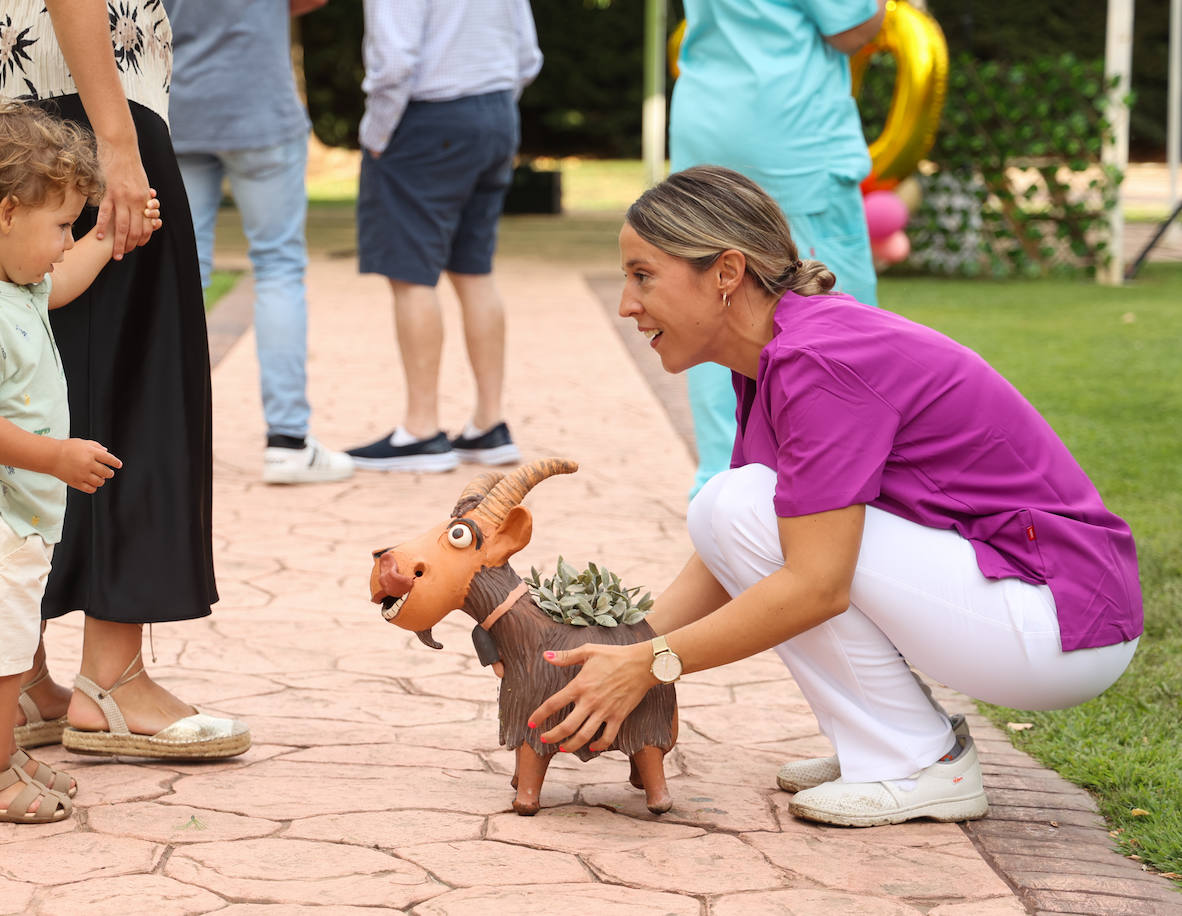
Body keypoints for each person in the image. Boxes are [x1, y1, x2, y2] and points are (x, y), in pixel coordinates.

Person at [528, 166, 1143, 828]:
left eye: (642, 275)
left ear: (726, 273)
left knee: (745, 514)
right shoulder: (774, 357)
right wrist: (623, 651)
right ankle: (884, 745)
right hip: (1032, 605)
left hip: (1060, 621)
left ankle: (915, 761)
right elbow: (735, 550)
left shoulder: (816, 360)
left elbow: (815, 585)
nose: (627, 303)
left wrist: (651, 664)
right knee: (733, 510)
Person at [0, 0, 250, 759]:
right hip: (88, 113)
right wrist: (118, 143)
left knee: (31, 401)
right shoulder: (103, 141)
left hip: (2, 112)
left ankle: (21, 680)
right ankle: (113, 681)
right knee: (132, 395)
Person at [0, 104, 158, 821]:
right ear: (9, 212)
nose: (64, 244)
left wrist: (109, 234)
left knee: (9, 650)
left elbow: (62, 281)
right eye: (62, 227)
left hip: (0, 518)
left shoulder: (5, 283)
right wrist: (54, 455)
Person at [671, 0, 884, 497]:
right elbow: (851, 28)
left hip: (708, 120)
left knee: (710, 294)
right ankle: (834, 483)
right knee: (837, 313)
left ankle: (721, 485)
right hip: (790, 135)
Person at [345, 0, 542, 472]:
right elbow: (528, 55)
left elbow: (394, 61)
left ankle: (420, 431)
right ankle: (488, 426)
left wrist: (376, 132)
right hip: (495, 113)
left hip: (426, 117)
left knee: (412, 274)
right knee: (474, 269)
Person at [164, 0, 354, 485]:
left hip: (181, 110)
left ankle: (167, 442)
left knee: (182, 273)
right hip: (262, 107)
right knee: (279, 268)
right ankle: (288, 444)